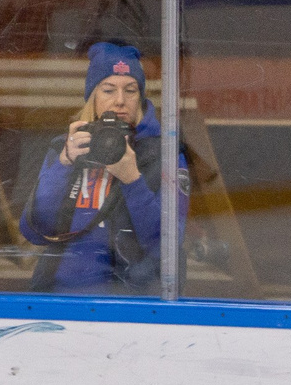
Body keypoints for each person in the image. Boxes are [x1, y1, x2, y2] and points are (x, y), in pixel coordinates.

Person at [19, 41, 182, 293]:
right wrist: (63, 165)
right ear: (92, 97)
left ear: (140, 97)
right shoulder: (69, 147)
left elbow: (167, 247)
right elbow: (34, 231)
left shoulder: (164, 155)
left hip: (129, 302)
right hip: (60, 294)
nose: (120, 101)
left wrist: (132, 180)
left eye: (130, 90)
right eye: (108, 90)